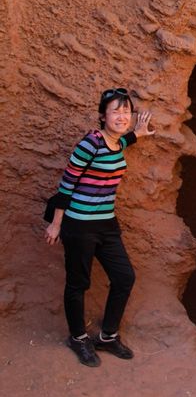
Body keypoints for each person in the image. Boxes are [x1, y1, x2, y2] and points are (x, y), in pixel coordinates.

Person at [45, 88, 155, 367]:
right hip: (79, 225)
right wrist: (56, 225)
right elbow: (67, 184)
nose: (122, 116)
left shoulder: (117, 143)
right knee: (78, 283)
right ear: (102, 115)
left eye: (126, 111)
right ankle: (78, 338)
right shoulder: (90, 143)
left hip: (106, 224)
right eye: (115, 111)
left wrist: (137, 134)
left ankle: (107, 336)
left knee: (124, 277)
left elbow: (118, 146)